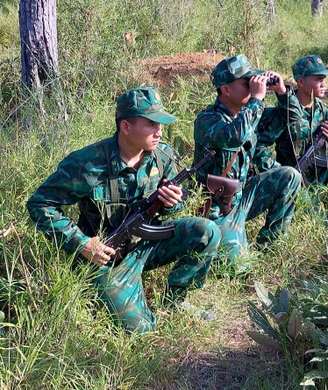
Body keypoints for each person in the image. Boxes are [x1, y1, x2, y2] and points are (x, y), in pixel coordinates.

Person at [27, 87, 220, 333]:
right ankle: (120, 297)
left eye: (160, 124)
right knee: (140, 330)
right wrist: (82, 243)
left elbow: (171, 210)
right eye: (151, 124)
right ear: (126, 127)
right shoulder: (87, 164)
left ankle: (175, 303)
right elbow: (40, 204)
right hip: (108, 257)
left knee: (207, 231)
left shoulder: (162, 156)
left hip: (149, 244)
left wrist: (174, 202)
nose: (159, 132)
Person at [193, 54, 301, 274]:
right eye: (246, 83)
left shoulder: (250, 113)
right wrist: (256, 99)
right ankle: (228, 239)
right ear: (225, 90)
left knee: (289, 176)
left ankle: (271, 245)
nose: (253, 86)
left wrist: (282, 92)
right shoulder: (207, 120)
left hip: (243, 197)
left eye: (254, 80)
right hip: (217, 209)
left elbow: (292, 121)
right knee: (239, 270)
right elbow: (236, 136)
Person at [256, 55, 328, 195]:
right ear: (301, 82)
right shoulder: (284, 112)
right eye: (318, 79)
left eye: (323, 79)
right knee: (313, 213)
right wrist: (279, 172)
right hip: (295, 181)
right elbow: (259, 145)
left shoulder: (323, 110)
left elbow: (326, 145)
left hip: (319, 172)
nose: (323, 84)